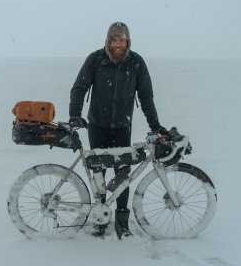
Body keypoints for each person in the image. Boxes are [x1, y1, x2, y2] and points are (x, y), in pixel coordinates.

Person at [69, 22, 167, 239]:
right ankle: (101, 217)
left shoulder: (136, 63)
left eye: (122, 39)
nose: (118, 44)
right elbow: (79, 88)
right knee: (99, 173)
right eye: (114, 40)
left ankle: (122, 220)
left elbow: (146, 95)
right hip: (97, 125)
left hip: (122, 126)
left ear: (128, 41)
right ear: (108, 41)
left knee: (123, 173)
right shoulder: (96, 59)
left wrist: (155, 125)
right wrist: (75, 115)